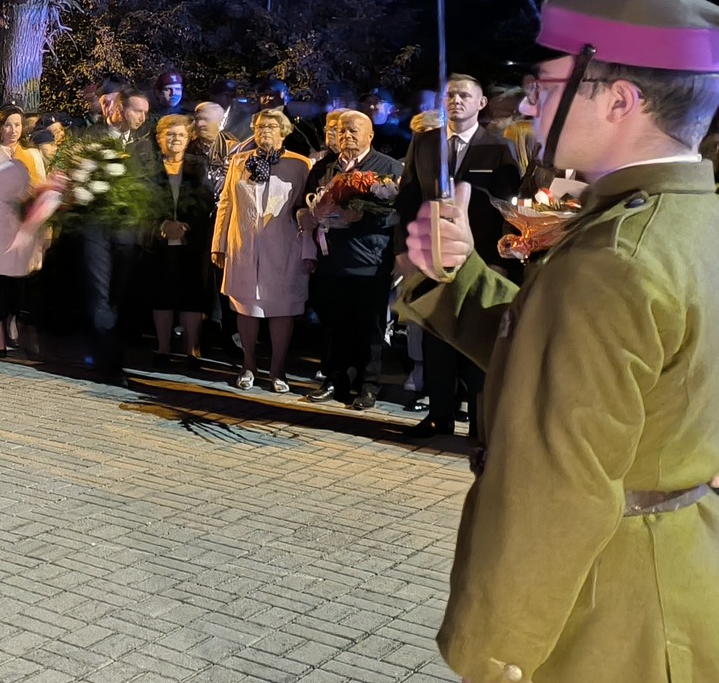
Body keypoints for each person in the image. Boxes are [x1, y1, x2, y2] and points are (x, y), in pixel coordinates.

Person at [398, 0, 719, 683]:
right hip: (677, 617)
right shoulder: (683, 224)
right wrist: (455, 279)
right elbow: (589, 371)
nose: (527, 105)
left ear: (618, 98)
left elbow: (558, 484)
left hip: (607, 643)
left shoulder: (613, 257)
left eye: (542, 85)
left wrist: (497, 662)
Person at [397, 73, 522, 438]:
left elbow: (508, 210)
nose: (456, 100)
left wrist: (499, 262)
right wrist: (404, 252)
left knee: (476, 338)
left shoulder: (499, 147)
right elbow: (408, 199)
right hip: (431, 258)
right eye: (450, 95)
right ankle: (439, 415)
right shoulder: (424, 142)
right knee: (436, 339)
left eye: (465, 95)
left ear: (481, 103)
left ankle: (480, 424)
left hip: (480, 259)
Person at [301, 110, 402, 407]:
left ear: (370, 135)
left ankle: (368, 385)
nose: (346, 135)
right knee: (334, 324)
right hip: (332, 258)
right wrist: (309, 214)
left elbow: (398, 214)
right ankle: (334, 379)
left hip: (371, 260)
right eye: (342, 130)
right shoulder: (325, 167)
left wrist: (362, 216)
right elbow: (306, 203)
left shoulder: (389, 167)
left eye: (354, 130)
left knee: (370, 327)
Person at [211, 107, 314, 392]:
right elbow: (226, 203)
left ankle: (278, 370)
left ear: (284, 132)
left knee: (282, 309)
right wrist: (219, 244)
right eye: (259, 126)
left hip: (285, 247)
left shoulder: (301, 164)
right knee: (246, 307)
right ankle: (248, 365)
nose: (263, 131)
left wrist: (309, 251)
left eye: (270, 126)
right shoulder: (239, 161)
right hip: (244, 245)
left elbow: (309, 208)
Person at [0, 106, 55, 358]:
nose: (13, 130)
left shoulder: (32, 154)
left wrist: (41, 224)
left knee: (17, 281)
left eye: (17, 125)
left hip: (21, 229)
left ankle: (12, 315)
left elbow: (40, 192)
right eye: (7, 125)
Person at [143, 114, 216, 371]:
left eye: (181, 135)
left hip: (191, 241)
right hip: (158, 242)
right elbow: (143, 203)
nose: (176, 139)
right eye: (170, 134)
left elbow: (206, 201)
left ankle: (192, 350)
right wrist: (163, 225)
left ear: (188, 139)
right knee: (161, 295)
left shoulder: (199, 165)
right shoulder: (149, 168)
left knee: (192, 296)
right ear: (159, 138)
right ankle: (163, 348)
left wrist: (185, 226)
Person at [79, 81, 140, 378]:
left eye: (116, 103)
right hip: (97, 229)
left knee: (121, 296)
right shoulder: (90, 137)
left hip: (128, 232)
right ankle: (106, 360)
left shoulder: (143, 142)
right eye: (106, 103)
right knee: (99, 295)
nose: (111, 108)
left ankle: (114, 353)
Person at [361, 87, 410, 160]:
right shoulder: (358, 129)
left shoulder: (399, 137)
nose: (371, 106)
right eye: (368, 102)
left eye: (376, 102)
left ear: (389, 108)